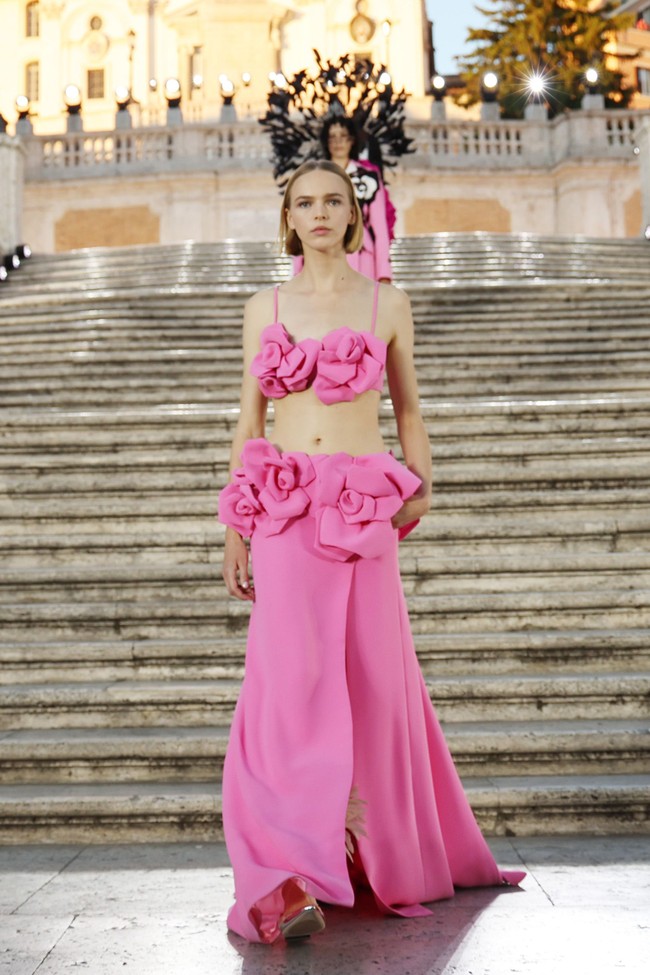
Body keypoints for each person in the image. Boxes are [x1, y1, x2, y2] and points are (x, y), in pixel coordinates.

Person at [218, 159, 524, 945]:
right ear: (287, 218)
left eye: (333, 201)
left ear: (355, 215)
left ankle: (362, 851)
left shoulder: (389, 301)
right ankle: (285, 875)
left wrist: (423, 482)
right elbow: (248, 424)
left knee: (374, 682)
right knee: (288, 685)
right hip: (285, 507)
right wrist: (234, 524)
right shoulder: (265, 306)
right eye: (304, 203)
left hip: (362, 508)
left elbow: (408, 403)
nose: (319, 213)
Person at [293, 116, 394, 283]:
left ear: (352, 140)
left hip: (362, 256)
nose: (338, 142)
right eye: (333, 137)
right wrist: (298, 268)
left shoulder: (368, 177)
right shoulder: (315, 176)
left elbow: (380, 227)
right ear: (326, 141)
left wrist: (384, 273)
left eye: (343, 136)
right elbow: (303, 222)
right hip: (321, 255)